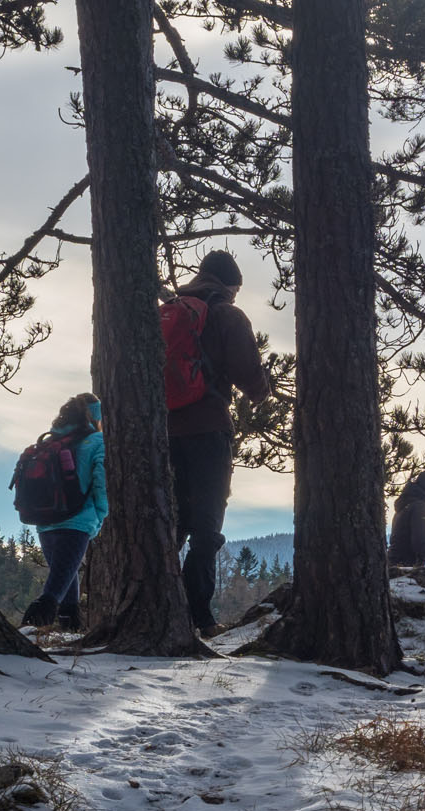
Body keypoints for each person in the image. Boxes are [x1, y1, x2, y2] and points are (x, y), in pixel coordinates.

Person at [168, 250, 273, 638]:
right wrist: (265, 388)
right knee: (206, 526)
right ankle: (199, 615)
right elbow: (250, 378)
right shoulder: (228, 315)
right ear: (231, 286)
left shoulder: (171, 309)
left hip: (163, 430)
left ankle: (161, 602)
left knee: (171, 522)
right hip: (208, 428)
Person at [22, 392, 108, 630]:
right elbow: (101, 482)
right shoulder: (97, 442)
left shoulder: (51, 442)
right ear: (96, 417)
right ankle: (32, 627)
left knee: (65, 576)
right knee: (55, 587)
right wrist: (100, 514)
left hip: (45, 520)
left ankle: (70, 628)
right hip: (77, 520)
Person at [389, 469, 425, 572]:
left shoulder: (404, 505)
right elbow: (419, 546)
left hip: (392, 565)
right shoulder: (421, 508)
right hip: (407, 568)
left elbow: (404, 540)